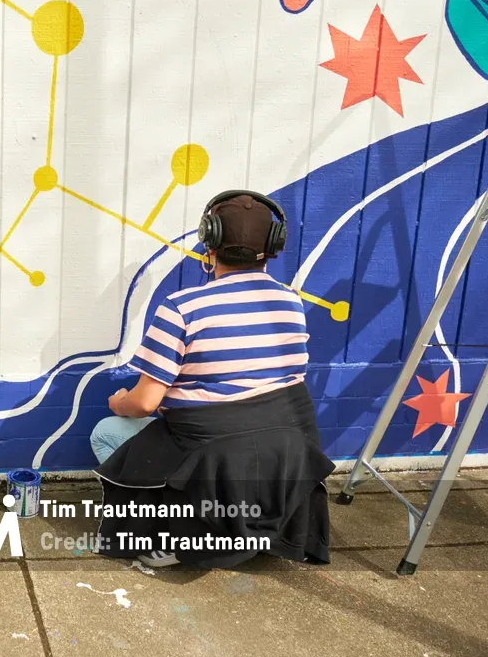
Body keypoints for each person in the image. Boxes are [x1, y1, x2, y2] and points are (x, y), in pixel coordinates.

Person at [91, 191, 332, 569]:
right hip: (281, 459)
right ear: (273, 247)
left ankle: (174, 536)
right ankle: (255, 527)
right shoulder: (291, 303)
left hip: (214, 460)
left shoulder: (182, 309)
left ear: (209, 240)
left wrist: (119, 401)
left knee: (107, 431)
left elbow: (144, 403)